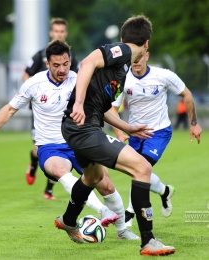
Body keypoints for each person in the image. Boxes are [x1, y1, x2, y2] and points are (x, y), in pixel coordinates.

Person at [0, 40, 139, 240]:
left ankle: (122, 231)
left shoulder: (79, 80)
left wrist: (123, 127)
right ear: (47, 64)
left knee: (106, 185)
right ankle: (103, 211)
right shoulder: (34, 83)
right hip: (50, 147)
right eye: (56, 65)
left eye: (65, 64)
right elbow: (10, 109)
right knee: (60, 170)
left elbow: (99, 110)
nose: (62, 69)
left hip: (79, 141)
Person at [55, 15, 176, 256]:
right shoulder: (122, 51)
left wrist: (127, 127)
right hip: (82, 126)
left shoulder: (120, 69)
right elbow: (88, 62)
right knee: (142, 168)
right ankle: (148, 241)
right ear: (147, 44)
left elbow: (101, 108)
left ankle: (68, 219)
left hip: (82, 126)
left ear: (123, 37)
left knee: (93, 176)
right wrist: (78, 103)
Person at [111, 51, 202, 227]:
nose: (136, 62)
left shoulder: (163, 75)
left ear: (147, 55)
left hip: (159, 133)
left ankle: (129, 213)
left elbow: (187, 95)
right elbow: (113, 109)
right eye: (133, 59)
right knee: (137, 171)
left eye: (140, 57)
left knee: (140, 168)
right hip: (135, 133)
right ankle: (164, 191)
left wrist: (194, 123)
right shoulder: (123, 79)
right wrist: (120, 132)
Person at [22, 17, 78, 200]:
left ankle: (49, 190)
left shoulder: (72, 57)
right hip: (43, 111)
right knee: (38, 150)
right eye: (56, 31)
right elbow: (26, 75)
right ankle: (32, 165)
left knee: (60, 147)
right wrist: (33, 96)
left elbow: (78, 81)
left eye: (62, 32)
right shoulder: (40, 55)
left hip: (63, 113)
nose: (59, 35)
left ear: (66, 34)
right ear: (50, 33)